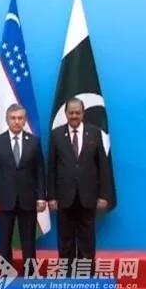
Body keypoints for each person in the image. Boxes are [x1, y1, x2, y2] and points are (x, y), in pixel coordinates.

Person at [48, 97, 113, 273]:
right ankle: (67, 275)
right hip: (64, 196)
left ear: (83, 113)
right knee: (65, 238)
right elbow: (51, 167)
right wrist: (51, 196)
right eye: (71, 113)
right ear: (65, 113)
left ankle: (85, 275)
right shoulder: (56, 135)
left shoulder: (95, 133)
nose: (74, 116)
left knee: (87, 238)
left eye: (77, 113)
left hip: (88, 195)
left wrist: (104, 195)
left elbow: (103, 166)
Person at [0, 103, 46, 273]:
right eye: (13, 118)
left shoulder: (34, 142)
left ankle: (30, 274)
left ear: (24, 120)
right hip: (4, 200)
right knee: (4, 241)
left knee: (29, 241)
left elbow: (40, 171)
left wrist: (41, 197)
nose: (17, 121)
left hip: (28, 200)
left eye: (20, 118)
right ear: (7, 120)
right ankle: (4, 274)